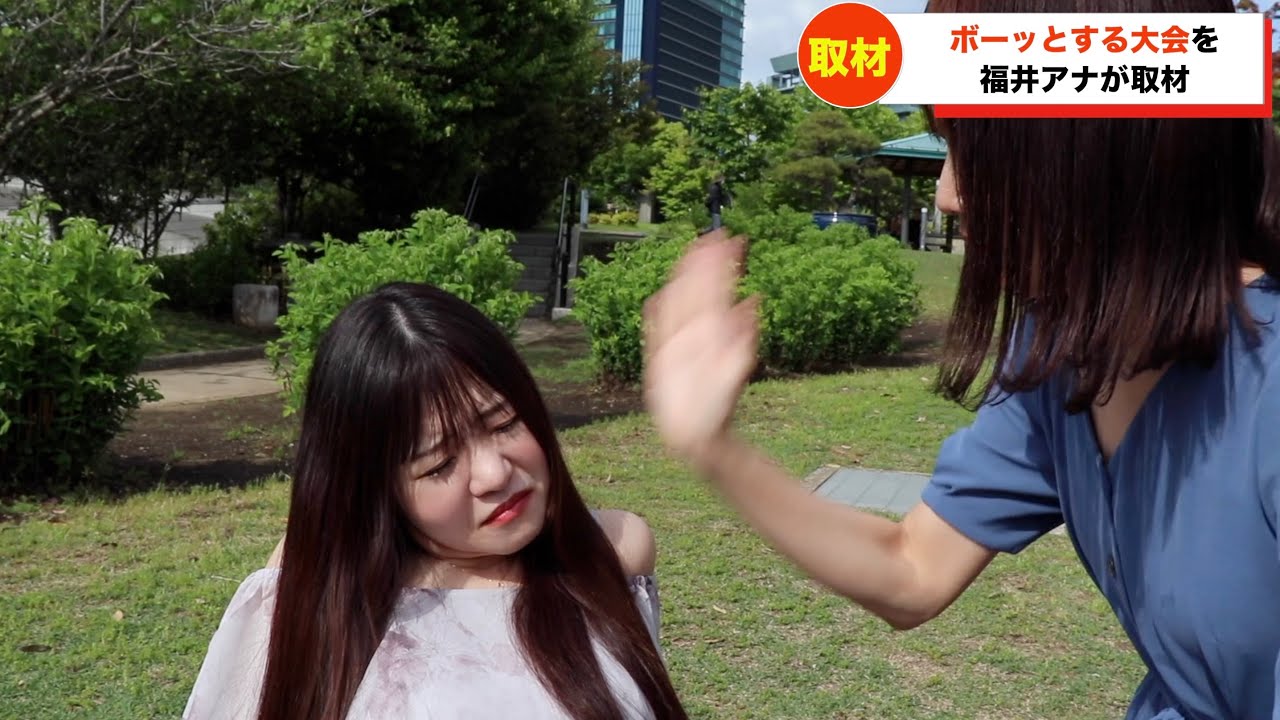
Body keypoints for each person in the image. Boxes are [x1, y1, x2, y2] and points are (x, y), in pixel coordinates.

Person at [640, 0, 1280, 717]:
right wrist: (715, 448)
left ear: (1097, 149)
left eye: (970, 146)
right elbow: (913, 568)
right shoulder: (1063, 347)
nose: (947, 194)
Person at [184, 282, 688, 720]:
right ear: (375, 491)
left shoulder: (613, 552)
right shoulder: (318, 584)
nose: (494, 475)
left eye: (504, 422)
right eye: (440, 464)